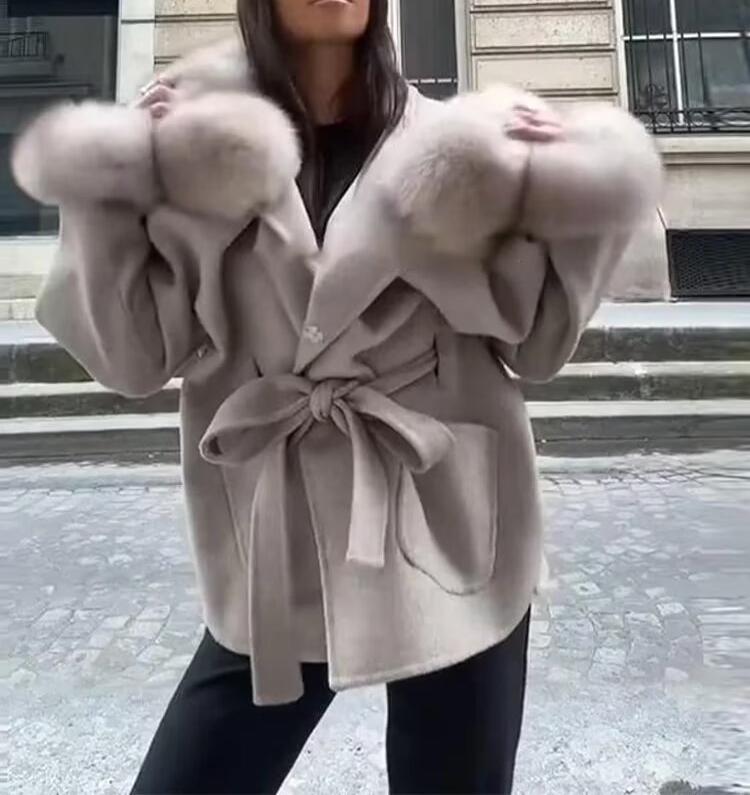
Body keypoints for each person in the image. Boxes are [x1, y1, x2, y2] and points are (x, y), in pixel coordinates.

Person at [11, 0, 661, 792]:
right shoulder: (194, 151)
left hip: (452, 524)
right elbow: (134, 358)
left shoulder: (461, 152)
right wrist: (110, 187)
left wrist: (564, 194)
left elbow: (536, 346)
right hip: (279, 537)